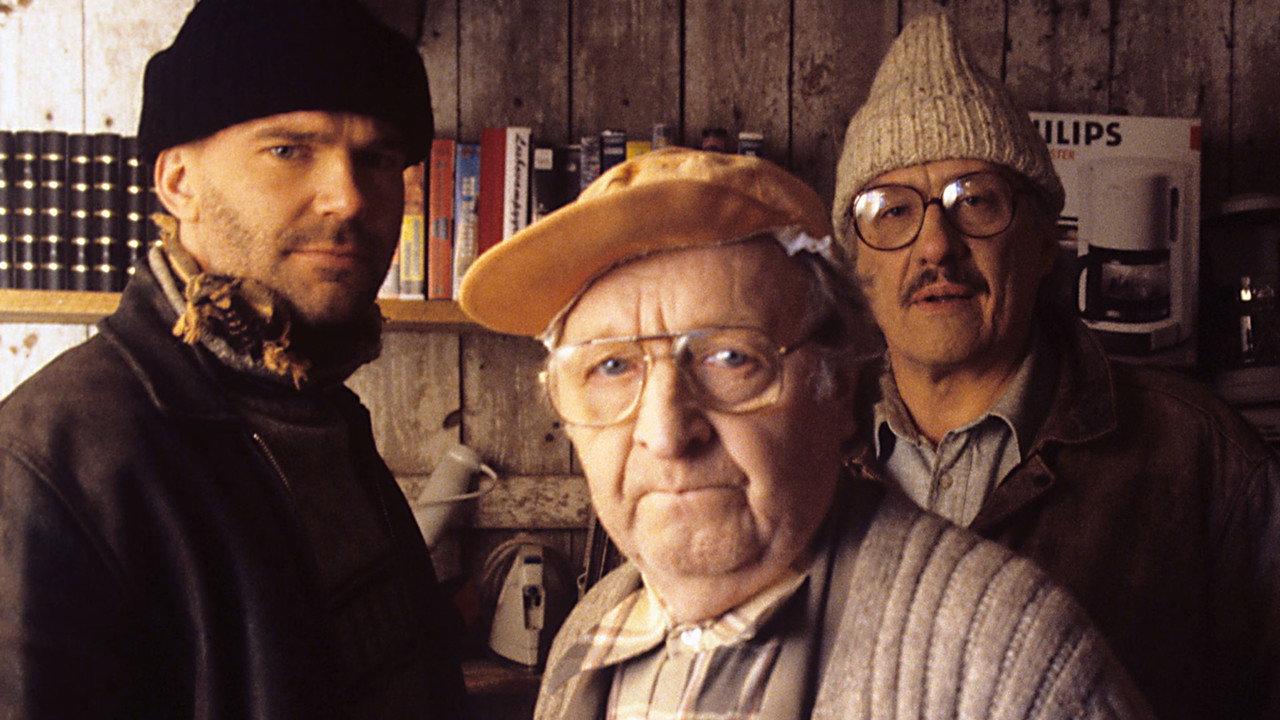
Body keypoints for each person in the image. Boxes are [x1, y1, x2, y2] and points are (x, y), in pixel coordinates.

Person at [459, 147, 1150, 719]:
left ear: (839, 387)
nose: (666, 432)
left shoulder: (1005, 662)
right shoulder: (589, 633)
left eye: (731, 358)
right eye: (611, 367)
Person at [0, 0, 470, 717]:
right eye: (289, 151)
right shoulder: (52, 461)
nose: (347, 198)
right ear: (178, 183)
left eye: (376, 159)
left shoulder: (321, 409)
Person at [830, 11, 1280, 720]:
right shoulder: (794, 449)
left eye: (976, 201)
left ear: (1044, 242)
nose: (936, 246)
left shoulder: (1201, 460)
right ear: (856, 265)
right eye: (891, 211)